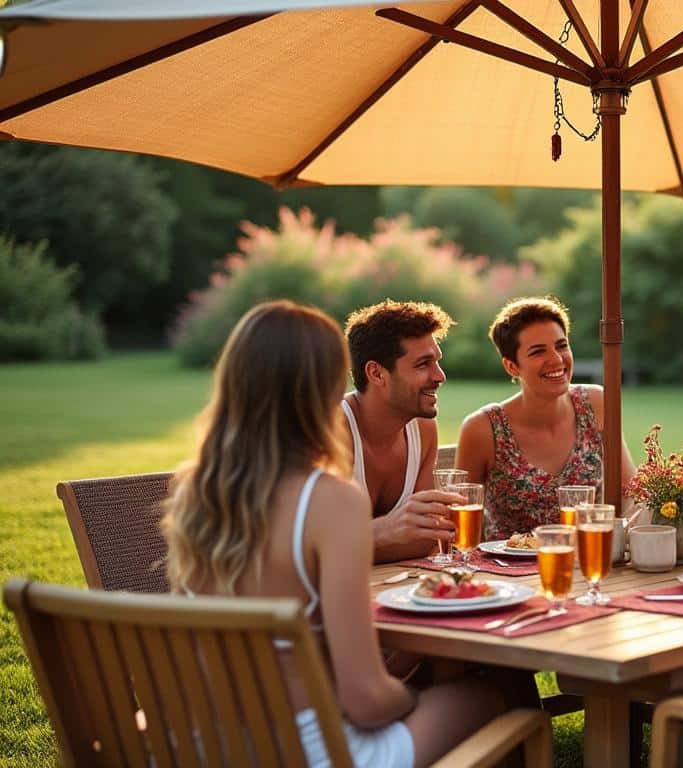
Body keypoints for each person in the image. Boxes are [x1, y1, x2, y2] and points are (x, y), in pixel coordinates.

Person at [161, 300, 504, 768]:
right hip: (311, 753)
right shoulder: (328, 500)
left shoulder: (195, 493)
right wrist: (410, 701)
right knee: (490, 696)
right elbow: (366, 702)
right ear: (323, 387)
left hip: (202, 747)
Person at [456, 296, 636, 540]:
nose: (557, 359)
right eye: (538, 351)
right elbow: (460, 528)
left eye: (561, 346)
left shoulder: (596, 404)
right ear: (511, 366)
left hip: (586, 557)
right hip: (505, 562)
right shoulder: (483, 428)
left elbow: (630, 492)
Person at [342, 300, 460, 563]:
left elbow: (424, 540)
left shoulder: (423, 429)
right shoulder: (331, 432)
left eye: (437, 362)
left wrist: (354, 541)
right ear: (376, 373)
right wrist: (384, 531)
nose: (440, 376)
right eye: (423, 364)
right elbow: (305, 547)